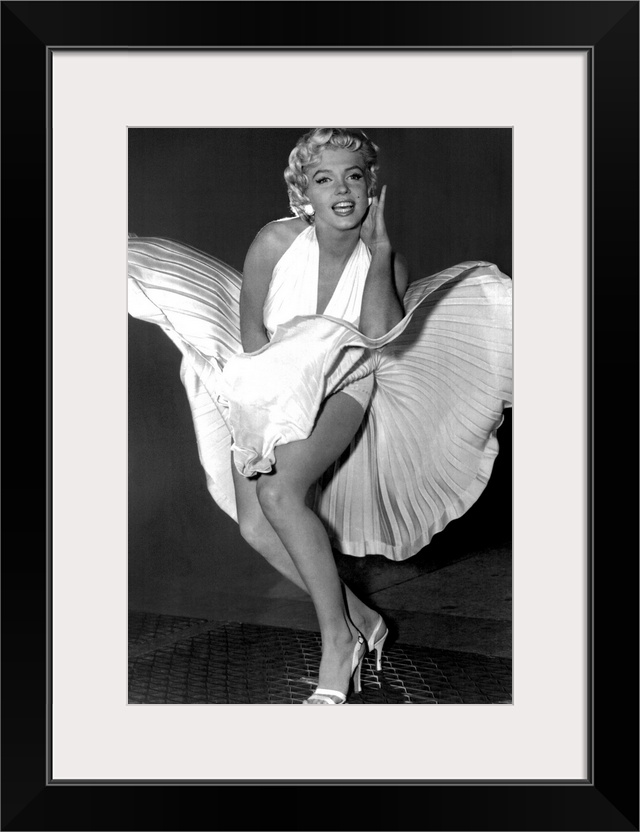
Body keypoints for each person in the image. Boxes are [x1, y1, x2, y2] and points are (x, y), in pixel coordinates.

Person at [128, 128, 513, 705]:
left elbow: (383, 337)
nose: (341, 189)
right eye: (323, 177)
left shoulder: (388, 261)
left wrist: (381, 253)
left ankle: (339, 642)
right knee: (256, 525)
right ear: (302, 190)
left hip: (346, 386)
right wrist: (259, 410)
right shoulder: (275, 242)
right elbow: (251, 331)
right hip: (263, 383)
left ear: (371, 187)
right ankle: (364, 620)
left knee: (282, 498)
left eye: (354, 176)